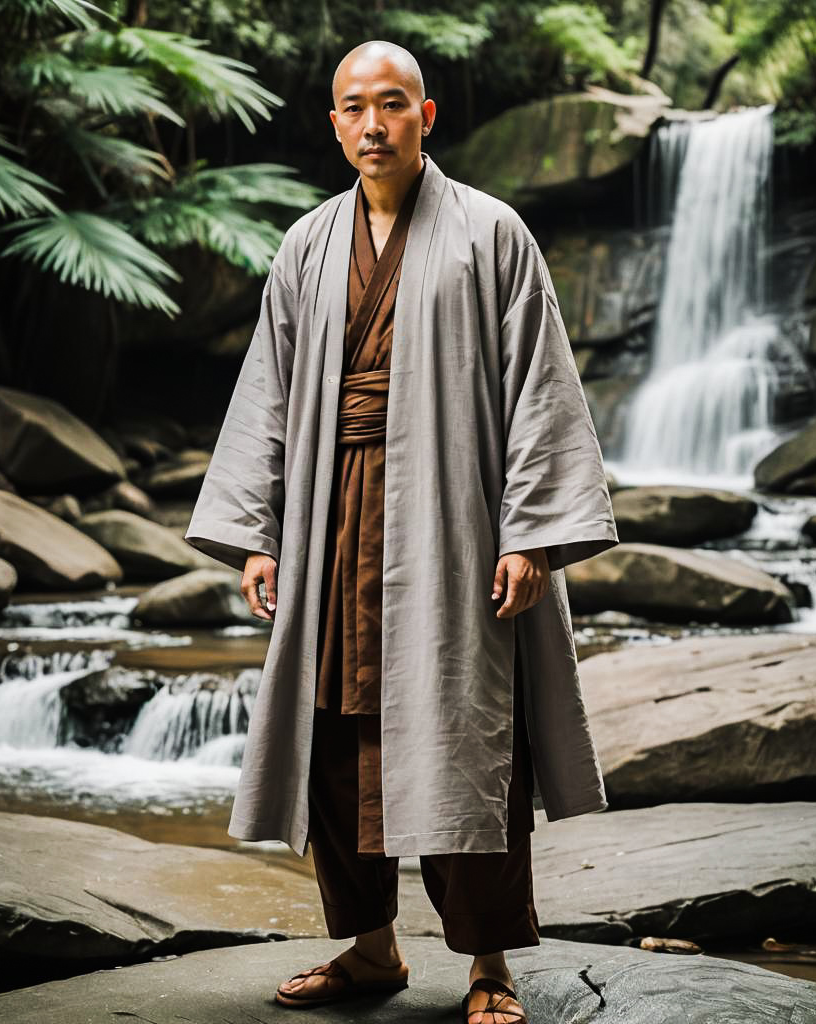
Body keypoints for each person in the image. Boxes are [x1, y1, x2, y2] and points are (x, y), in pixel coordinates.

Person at [184, 39, 619, 1024]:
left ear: (428, 115)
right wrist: (259, 532)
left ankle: (488, 967)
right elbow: (267, 395)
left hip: (454, 522)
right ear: (332, 122)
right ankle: (371, 949)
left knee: (472, 734)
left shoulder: (491, 233)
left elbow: (539, 390)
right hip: (334, 523)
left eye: (391, 104)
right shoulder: (307, 245)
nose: (371, 124)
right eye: (352, 108)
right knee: (337, 734)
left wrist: (531, 533)